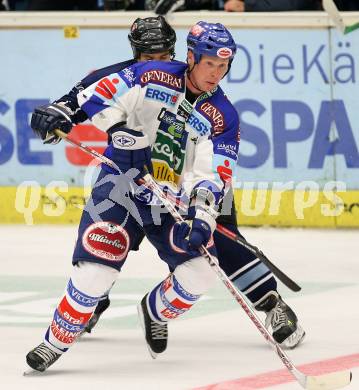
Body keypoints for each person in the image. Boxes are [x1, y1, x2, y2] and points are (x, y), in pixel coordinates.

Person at [26, 19, 305, 372]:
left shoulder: (223, 115)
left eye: (223, 66)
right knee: (98, 262)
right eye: (210, 64)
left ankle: (259, 299)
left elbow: (212, 174)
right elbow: (95, 95)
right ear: (190, 57)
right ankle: (58, 337)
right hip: (123, 185)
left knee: (215, 253)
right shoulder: (148, 75)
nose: (216, 73)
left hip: (176, 197)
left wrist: (203, 216)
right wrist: (109, 128)